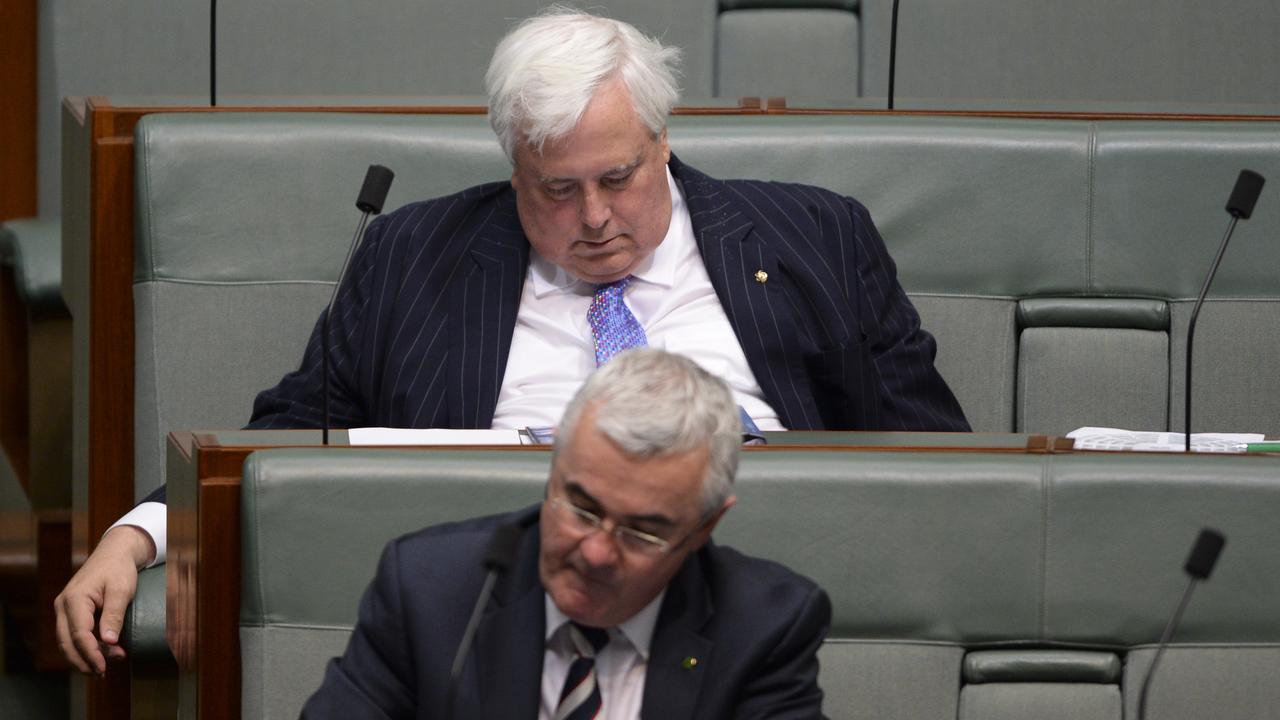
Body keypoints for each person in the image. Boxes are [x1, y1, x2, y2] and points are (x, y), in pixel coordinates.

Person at [55, 7, 967, 676]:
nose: (596, 219)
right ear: (512, 165)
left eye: (618, 177)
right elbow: (295, 430)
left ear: (663, 138)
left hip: (767, 588)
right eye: (556, 191)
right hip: (497, 613)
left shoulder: (815, 235)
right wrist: (136, 537)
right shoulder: (416, 253)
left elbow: (940, 462)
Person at [302, 348, 831, 717]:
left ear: (704, 527)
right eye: (580, 507)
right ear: (553, 472)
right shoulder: (430, 591)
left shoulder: (765, 626)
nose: (597, 553)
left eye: (643, 532)